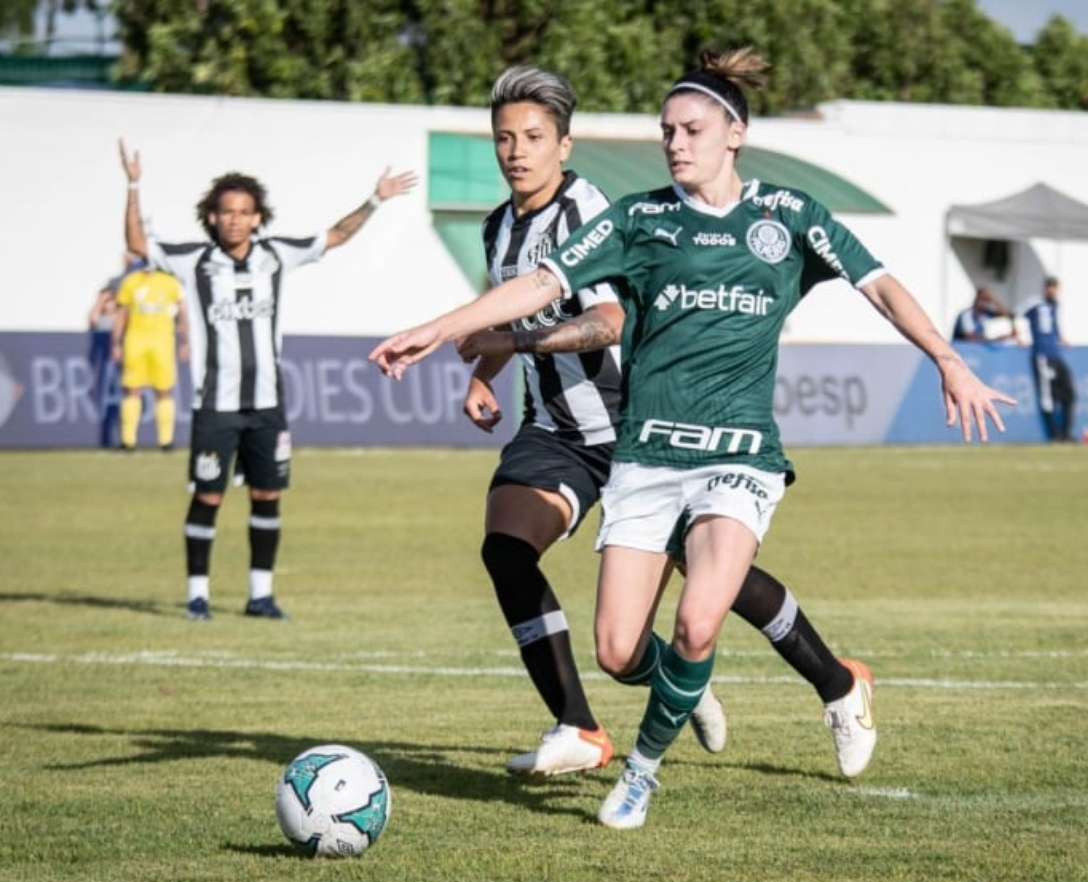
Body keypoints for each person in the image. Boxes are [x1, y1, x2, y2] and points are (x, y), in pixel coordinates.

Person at [370, 48, 1014, 829]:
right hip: (645, 454)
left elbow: (876, 282)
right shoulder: (640, 219)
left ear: (734, 133)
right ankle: (792, 683)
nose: (675, 143)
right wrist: (441, 333)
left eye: (691, 129)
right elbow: (539, 286)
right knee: (620, 648)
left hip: (738, 456)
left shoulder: (789, 215)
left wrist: (948, 359)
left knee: (701, 614)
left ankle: (642, 772)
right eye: (667, 130)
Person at [458, 65, 874, 781]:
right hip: (555, 428)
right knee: (505, 548)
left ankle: (837, 683)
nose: (516, 151)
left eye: (533, 137)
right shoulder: (500, 226)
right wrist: (481, 374)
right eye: (504, 138)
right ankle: (581, 726)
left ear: (564, 145)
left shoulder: (593, 213)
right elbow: (514, 315)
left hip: (634, 423)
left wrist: (516, 343)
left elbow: (607, 320)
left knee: (720, 579)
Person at [118, 139, 417, 620]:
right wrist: (133, 184)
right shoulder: (193, 261)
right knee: (209, 495)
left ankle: (261, 595)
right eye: (227, 212)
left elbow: (334, 237)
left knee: (267, 494)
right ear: (212, 217)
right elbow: (136, 244)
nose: (236, 219)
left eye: (245, 212)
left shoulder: (276, 255)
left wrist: (376, 199)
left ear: (258, 218)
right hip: (216, 403)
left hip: (266, 404)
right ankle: (198, 595)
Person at [111, 261, 188, 450]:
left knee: (163, 391)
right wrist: (116, 342)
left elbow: (184, 313)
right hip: (136, 341)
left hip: (162, 342)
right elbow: (121, 314)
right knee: (132, 389)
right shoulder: (131, 281)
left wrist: (185, 341)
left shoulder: (171, 282)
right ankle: (128, 441)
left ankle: (166, 441)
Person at [1024, 277, 1075, 442]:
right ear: (1045, 288)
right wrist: (1018, 335)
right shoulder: (1035, 304)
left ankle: (1066, 433)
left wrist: (1062, 338)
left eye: (1055, 287)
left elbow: (1053, 325)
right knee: (1047, 397)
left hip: (1056, 354)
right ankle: (1055, 435)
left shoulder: (1054, 305)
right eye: (1050, 287)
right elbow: (1015, 315)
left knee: (1069, 393)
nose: (1053, 291)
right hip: (1042, 355)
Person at [87, 262, 128, 448]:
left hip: (123, 361)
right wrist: (100, 300)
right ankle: (107, 439)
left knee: (124, 401)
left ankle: (125, 438)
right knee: (108, 401)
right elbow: (94, 320)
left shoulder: (123, 315)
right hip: (108, 363)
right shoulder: (103, 317)